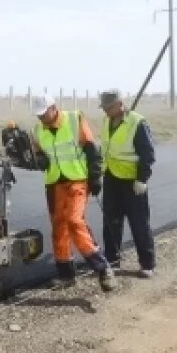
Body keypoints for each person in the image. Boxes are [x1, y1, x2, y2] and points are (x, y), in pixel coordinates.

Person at [29, 96, 116, 292]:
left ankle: (102, 268)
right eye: (38, 115)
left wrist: (95, 177)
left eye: (44, 113)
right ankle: (66, 274)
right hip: (54, 183)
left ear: (53, 108)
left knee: (74, 221)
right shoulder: (36, 130)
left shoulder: (74, 119)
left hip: (77, 179)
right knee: (59, 226)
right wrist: (39, 160)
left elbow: (92, 149)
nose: (41, 118)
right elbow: (40, 154)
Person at [97, 89, 157, 278]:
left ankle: (147, 264)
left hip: (132, 182)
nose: (105, 111)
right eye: (104, 108)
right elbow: (105, 149)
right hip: (111, 179)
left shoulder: (137, 123)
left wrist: (142, 179)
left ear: (119, 104)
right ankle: (112, 261)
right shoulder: (107, 121)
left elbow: (148, 154)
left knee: (139, 223)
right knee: (111, 223)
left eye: (108, 108)